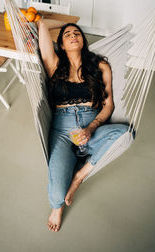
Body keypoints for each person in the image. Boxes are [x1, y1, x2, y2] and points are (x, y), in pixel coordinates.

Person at [37, 19, 128, 232]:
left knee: (126, 134)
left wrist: (91, 128)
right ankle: (57, 208)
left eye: (76, 32)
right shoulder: (53, 64)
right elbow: (42, 25)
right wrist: (70, 20)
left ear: (83, 40)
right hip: (62, 131)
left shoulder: (100, 66)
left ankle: (79, 175)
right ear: (61, 44)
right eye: (67, 34)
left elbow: (109, 105)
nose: (72, 35)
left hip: (92, 126)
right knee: (57, 197)